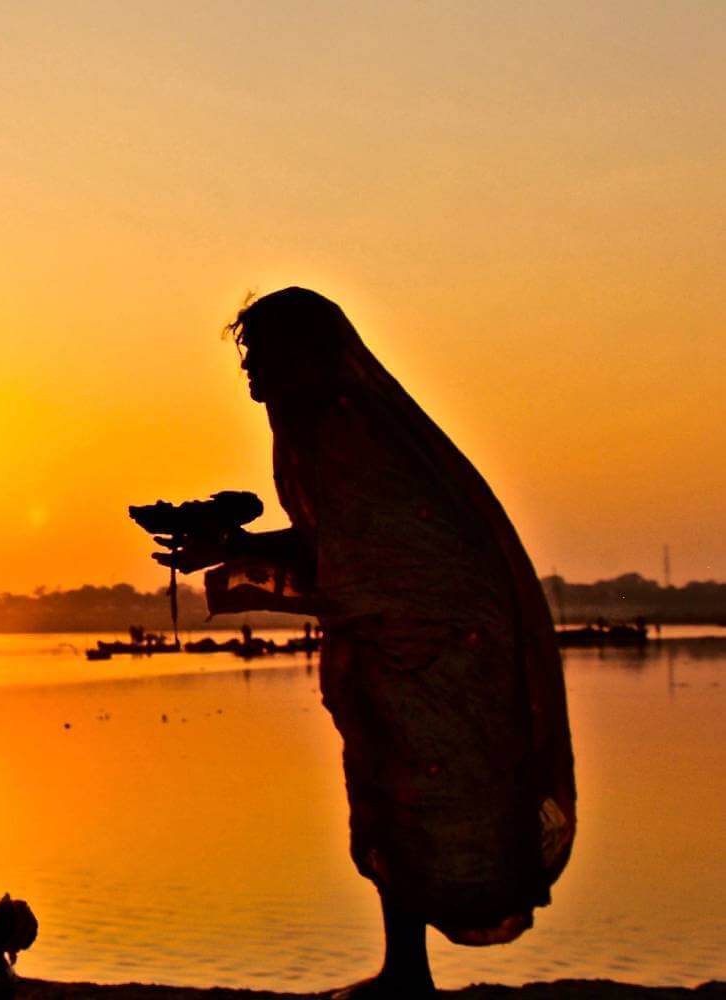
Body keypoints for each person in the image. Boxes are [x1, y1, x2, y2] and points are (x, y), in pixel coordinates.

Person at [157, 288, 576, 997]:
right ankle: (405, 971)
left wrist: (232, 545)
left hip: (436, 642)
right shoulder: (312, 427)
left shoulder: (345, 429)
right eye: (244, 356)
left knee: (420, 795)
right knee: (385, 792)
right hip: (393, 638)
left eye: (258, 354)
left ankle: (408, 975)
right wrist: (226, 544)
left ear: (297, 354)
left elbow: (374, 551)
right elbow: (337, 544)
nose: (249, 370)